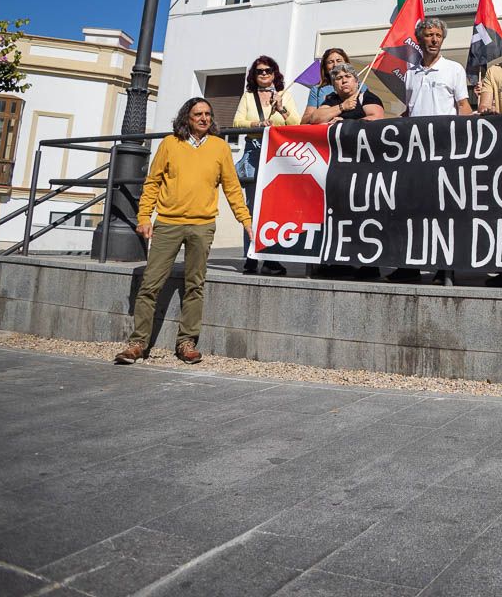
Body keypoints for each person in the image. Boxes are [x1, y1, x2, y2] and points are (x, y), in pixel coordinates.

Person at [115, 98, 252, 366]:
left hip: (202, 226)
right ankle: (138, 343)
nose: (204, 118)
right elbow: (153, 182)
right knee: (150, 284)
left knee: (195, 286)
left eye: (208, 114)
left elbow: (232, 188)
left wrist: (244, 220)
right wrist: (144, 217)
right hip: (168, 223)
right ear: (186, 118)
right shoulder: (170, 144)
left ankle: (186, 342)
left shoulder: (220, 147)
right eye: (197, 114)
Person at [392, 17, 472, 284]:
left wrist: (462, 144)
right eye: (429, 35)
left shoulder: (454, 69)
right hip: (416, 154)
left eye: (438, 35)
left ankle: (444, 268)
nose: (434, 39)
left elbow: (464, 107)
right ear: (420, 39)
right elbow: (410, 110)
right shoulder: (411, 73)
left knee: (443, 211)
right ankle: (410, 266)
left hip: (445, 151)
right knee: (414, 210)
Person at [232, 55, 298, 276]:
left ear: (274, 73)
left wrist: (281, 109)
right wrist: (257, 124)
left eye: (268, 71)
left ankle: (271, 258)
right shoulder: (247, 97)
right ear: (254, 75)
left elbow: (296, 124)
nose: (263, 74)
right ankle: (251, 256)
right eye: (259, 71)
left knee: (275, 207)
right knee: (252, 207)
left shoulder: (284, 94)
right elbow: (236, 122)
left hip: (277, 154)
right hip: (254, 150)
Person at [302, 48, 367, 124]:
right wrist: (325, 114)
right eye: (330, 62)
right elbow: (304, 121)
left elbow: (369, 113)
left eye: (339, 61)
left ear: (346, 63)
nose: (335, 65)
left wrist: (345, 121)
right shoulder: (317, 90)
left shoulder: (360, 86)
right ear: (325, 68)